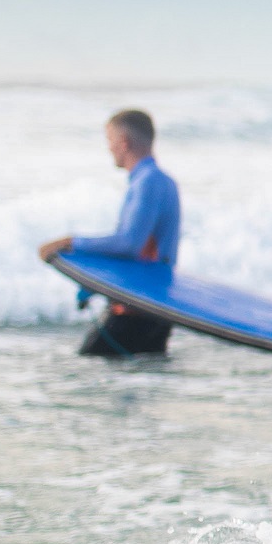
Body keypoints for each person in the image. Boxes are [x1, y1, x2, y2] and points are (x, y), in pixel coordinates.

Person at [38, 109, 182, 358]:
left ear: (124, 142)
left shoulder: (147, 182)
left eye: (110, 140)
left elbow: (129, 244)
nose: (109, 148)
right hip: (156, 308)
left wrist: (71, 242)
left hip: (135, 310)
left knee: (87, 378)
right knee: (144, 385)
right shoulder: (163, 181)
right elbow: (145, 252)